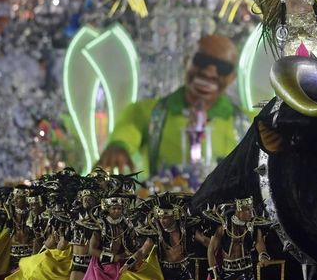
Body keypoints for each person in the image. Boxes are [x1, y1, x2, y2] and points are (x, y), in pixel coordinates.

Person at [97, 34, 244, 177]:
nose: (210, 72)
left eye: (223, 67)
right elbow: (127, 131)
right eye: (202, 61)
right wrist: (118, 147)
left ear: (232, 77)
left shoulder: (247, 123)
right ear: (186, 62)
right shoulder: (147, 111)